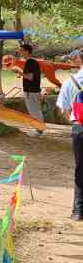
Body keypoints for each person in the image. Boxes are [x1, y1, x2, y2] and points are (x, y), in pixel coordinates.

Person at [56, 49, 83, 221]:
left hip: (79, 129)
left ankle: (78, 211)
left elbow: (64, 110)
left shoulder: (70, 82)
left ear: (80, 59)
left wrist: (74, 121)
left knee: (80, 169)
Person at [14, 44, 44, 135]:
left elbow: (30, 77)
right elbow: (31, 75)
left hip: (31, 91)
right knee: (35, 110)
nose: (20, 52)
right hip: (33, 90)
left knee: (34, 111)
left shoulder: (30, 62)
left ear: (27, 51)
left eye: (22, 50)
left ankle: (39, 130)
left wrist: (19, 72)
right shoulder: (31, 62)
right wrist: (22, 74)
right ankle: (39, 129)